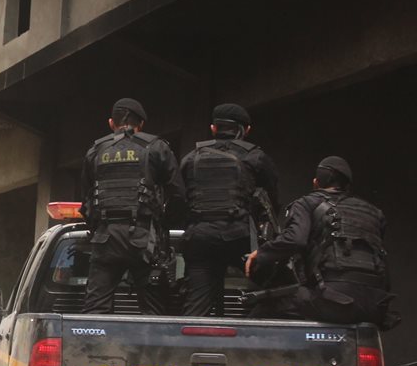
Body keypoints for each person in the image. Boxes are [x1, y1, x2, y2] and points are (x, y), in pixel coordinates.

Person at [245, 156, 395, 327]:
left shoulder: (307, 203)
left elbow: (296, 240)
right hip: (376, 305)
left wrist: (261, 254)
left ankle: (245, 353)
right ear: (347, 186)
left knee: (266, 308)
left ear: (316, 183)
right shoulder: (375, 213)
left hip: (335, 300)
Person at [80, 98, 185, 314]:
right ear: (142, 124)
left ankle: (95, 348)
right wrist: (164, 224)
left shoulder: (95, 150)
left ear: (111, 123)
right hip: (144, 238)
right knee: (152, 313)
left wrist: (97, 226)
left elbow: (87, 200)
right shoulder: (156, 147)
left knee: (95, 311)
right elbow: (178, 195)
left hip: (105, 238)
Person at [180, 103, 278, 316]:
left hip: (200, 237)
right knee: (275, 289)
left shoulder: (191, 157)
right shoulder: (255, 156)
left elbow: (180, 197)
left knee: (197, 306)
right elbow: (272, 199)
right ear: (246, 130)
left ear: (214, 128)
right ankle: (255, 335)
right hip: (240, 237)